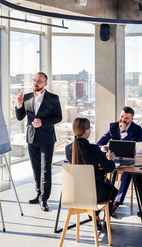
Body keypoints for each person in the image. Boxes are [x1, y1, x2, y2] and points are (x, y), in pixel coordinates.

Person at [16, 72, 62, 211]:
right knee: (36, 169)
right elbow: (20, 117)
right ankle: (38, 194)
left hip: (47, 139)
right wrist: (19, 104)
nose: (35, 83)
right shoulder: (27, 97)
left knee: (45, 169)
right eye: (34, 80)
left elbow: (58, 118)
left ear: (45, 84)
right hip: (31, 138)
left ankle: (44, 199)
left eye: (39, 81)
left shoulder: (53, 98)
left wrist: (43, 122)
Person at [65, 117, 117, 229]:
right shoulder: (93, 149)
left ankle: (96, 218)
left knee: (104, 185)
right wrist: (110, 158)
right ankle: (105, 221)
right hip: (95, 195)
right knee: (113, 190)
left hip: (76, 194)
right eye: (90, 128)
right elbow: (109, 168)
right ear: (86, 131)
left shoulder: (68, 149)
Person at [97, 107, 141, 213]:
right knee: (99, 169)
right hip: (113, 158)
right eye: (122, 116)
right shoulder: (113, 126)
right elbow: (100, 142)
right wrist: (103, 147)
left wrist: (124, 132)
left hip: (128, 159)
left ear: (131, 119)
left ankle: (116, 202)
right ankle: (102, 198)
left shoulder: (137, 129)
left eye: (126, 118)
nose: (122, 120)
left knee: (127, 171)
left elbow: (131, 147)